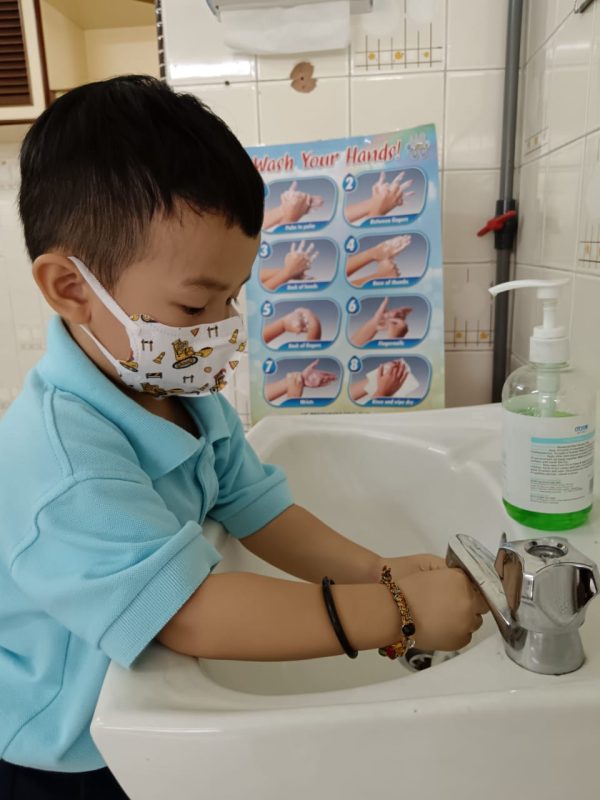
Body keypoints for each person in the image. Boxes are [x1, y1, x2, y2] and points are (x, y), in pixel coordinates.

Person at [0, 75, 487, 799]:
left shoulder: (180, 393)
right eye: (196, 305)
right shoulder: (62, 460)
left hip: (136, 702)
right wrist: (400, 611)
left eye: (232, 296)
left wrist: (377, 570)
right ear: (71, 288)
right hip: (64, 748)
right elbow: (189, 614)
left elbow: (261, 510)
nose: (224, 328)